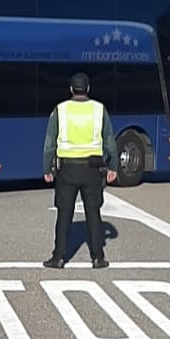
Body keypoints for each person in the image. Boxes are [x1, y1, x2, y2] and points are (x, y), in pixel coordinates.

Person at [41, 72, 118, 269]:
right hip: (92, 169)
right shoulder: (99, 109)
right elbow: (109, 139)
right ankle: (97, 258)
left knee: (64, 213)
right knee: (93, 213)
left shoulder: (61, 110)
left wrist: (47, 168)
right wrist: (113, 166)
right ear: (88, 88)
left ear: (71, 89)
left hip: (67, 169)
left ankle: (58, 257)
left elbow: (50, 142)